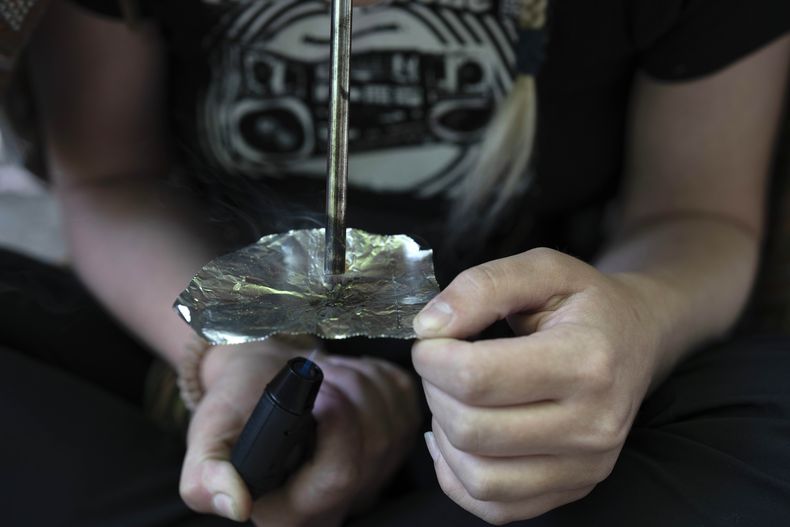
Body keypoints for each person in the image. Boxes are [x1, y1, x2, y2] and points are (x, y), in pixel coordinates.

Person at [4, 0, 790, 525]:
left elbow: (697, 216)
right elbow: (111, 179)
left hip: (557, 399)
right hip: (191, 335)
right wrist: (238, 354)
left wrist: (636, 326)